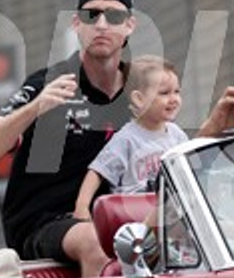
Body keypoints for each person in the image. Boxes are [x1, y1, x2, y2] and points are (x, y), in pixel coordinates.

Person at [0, 0, 234, 278]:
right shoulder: (51, 82)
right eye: (91, 15)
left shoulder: (141, 88)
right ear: (76, 24)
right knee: (99, 242)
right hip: (47, 222)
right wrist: (36, 108)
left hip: (128, 217)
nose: (102, 25)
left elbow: (170, 155)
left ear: (129, 26)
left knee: (233, 233)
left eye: (115, 16)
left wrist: (217, 122)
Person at [73, 55, 187, 219]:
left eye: (177, 91)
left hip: (168, 211)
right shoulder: (126, 139)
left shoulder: (176, 134)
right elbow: (98, 171)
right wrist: (82, 207)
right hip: (134, 213)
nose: (174, 99)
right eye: (164, 93)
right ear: (139, 99)